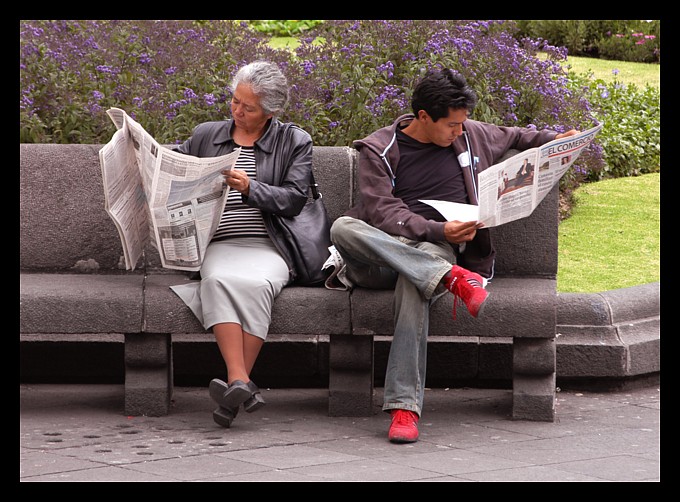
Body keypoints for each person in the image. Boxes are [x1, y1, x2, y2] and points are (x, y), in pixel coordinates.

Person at [330, 69, 578, 444]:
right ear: (423, 117)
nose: (460, 132)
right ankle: (448, 277)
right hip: (379, 254)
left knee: (417, 284)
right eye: (451, 125)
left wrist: (556, 140)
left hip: (432, 253)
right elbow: (380, 212)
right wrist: (436, 230)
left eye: (462, 124)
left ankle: (405, 409)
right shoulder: (379, 148)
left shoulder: (470, 134)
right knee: (343, 228)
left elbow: (515, 135)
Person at [169, 61, 314, 428]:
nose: (236, 111)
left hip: (270, 244)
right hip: (220, 242)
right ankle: (240, 382)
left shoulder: (294, 141)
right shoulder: (207, 135)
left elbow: (295, 199)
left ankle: (235, 385)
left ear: (270, 112)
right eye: (235, 101)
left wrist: (251, 188)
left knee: (256, 284)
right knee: (216, 280)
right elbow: (174, 164)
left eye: (247, 108)